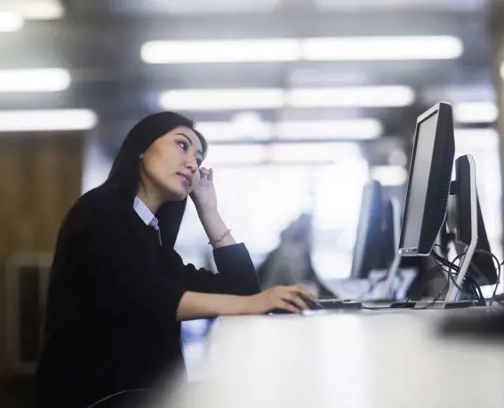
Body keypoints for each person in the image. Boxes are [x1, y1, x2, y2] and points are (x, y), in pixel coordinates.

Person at [34, 111, 317, 408]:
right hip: (99, 398)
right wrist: (254, 302)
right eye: (182, 146)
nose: (193, 163)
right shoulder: (101, 210)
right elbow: (144, 299)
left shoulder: (152, 240)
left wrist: (209, 210)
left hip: (144, 395)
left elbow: (243, 288)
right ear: (142, 148)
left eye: (199, 158)